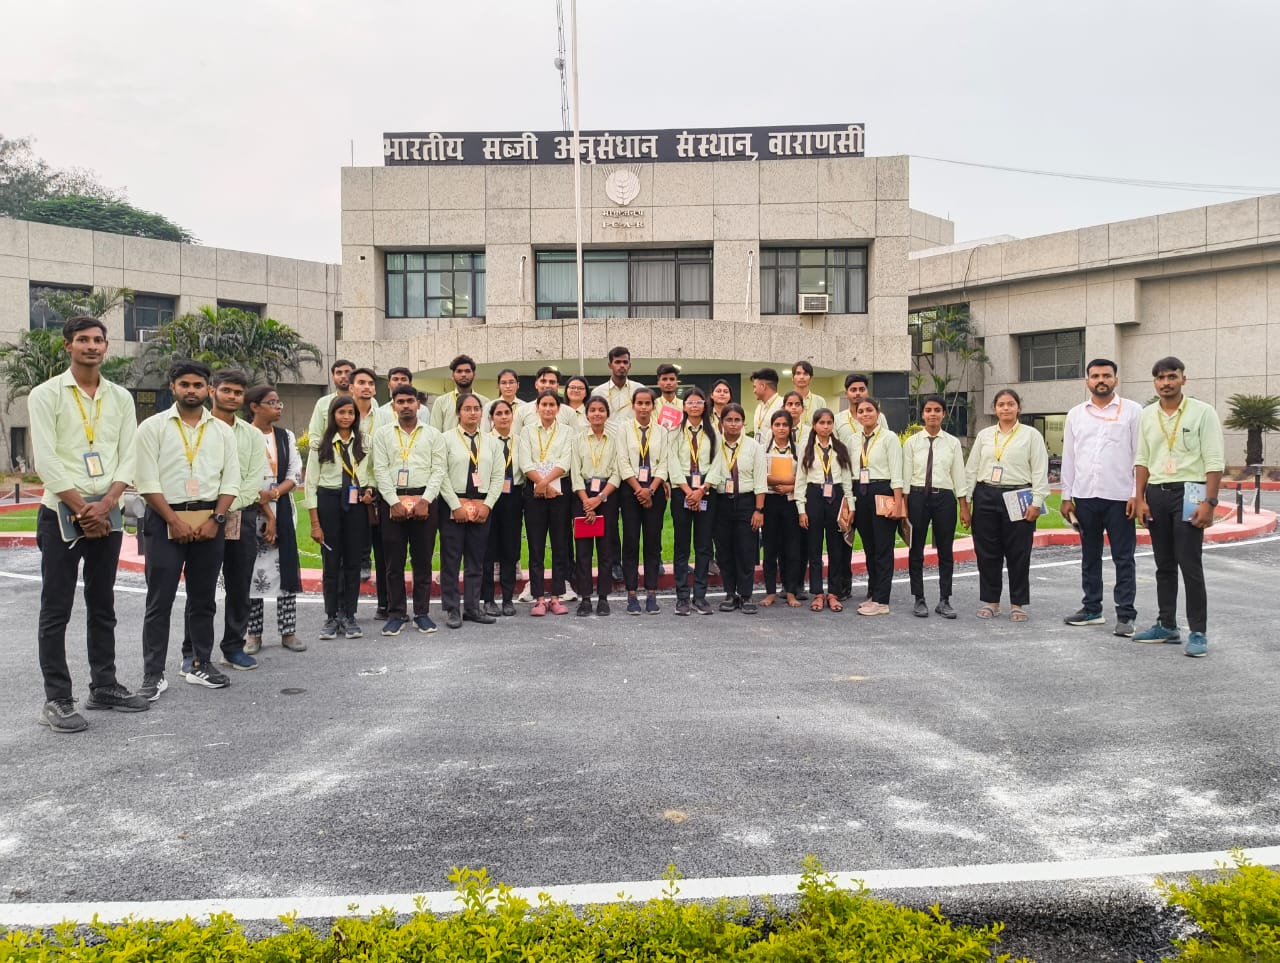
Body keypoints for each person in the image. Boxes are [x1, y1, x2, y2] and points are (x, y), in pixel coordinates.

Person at [29, 315, 145, 731]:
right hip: (61, 512)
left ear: (106, 346)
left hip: (108, 509)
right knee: (56, 608)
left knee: (102, 603)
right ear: (68, 346)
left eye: (98, 340)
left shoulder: (120, 397)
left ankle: (104, 686)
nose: (92, 346)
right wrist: (82, 509)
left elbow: (129, 454)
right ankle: (58, 699)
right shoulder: (46, 395)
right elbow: (46, 459)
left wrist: (109, 502)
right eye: (83, 339)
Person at [135, 360, 240, 698]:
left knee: (203, 599)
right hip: (165, 520)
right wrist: (174, 521)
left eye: (197, 385)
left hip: (210, 522)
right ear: (173, 387)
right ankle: (153, 675)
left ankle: (200, 664)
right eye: (185, 384)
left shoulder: (222, 431)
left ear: (208, 389)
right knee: (159, 600)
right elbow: (146, 481)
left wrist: (216, 520)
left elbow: (231, 480)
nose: (191, 390)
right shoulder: (152, 427)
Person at [1133, 357, 1225, 657]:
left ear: (1183, 379)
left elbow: (1214, 461)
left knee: (1190, 563)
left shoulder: (1202, 412)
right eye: (1160, 378)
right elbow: (1142, 459)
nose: (1166, 383)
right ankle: (1167, 625)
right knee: (1164, 564)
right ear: (1155, 382)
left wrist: (1209, 502)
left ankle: (1198, 631)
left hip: (1191, 491)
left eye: (1172, 377)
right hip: (1156, 492)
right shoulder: (1147, 415)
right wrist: (1140, 498)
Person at [180, 369, 268, 674]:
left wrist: (226, 508)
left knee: (239, 585)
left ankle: (233, 647)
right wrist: (212, 511)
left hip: (240, 515)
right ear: (212, 391)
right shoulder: (197, 429)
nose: (232, 396)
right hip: (201, 516)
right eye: (226, 390)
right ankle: (191, 651)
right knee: (200, 587)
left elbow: (253, 479)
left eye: (238, 392)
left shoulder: (252, 435)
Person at [1060, 360, 1143, 636]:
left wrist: (1136, 494)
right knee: (1090, 556)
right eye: (1095, 376)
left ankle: (1126, 615)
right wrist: (1066, 495)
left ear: (1115, 380)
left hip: (1120, 497)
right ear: (1087, 381)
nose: (1101, 380)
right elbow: (1069, 457)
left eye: (1106, 375)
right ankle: (1092, 609)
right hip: (1085, 496)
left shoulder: (1132, 411)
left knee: (1123, 557)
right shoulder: (1076, 414)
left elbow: (1139, 455)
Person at [965, 389, 1050, 622]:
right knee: (987, 552)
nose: (1005, 408)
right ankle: (991, 601)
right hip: (985, 495)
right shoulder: (984, 435)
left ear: (1018, 407)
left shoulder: (1031, 435)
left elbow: (1040, 470)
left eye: (1010, 404)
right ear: (995, 409)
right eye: (1001, 404)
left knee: (1018, 552)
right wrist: (967, 502)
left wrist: (1037, 502)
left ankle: (1017, 603)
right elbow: (972, 469)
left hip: (1018, 495)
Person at [372, 385, 447, 635]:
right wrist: (393, 501)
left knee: (422, 560)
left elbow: (439, 470)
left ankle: (422, 613)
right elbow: (380, 470)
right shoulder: (382, 434)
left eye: (410, 401)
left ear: (418, 405)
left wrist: (426, 500)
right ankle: (396, 613)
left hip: (425, 499)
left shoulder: (433, 434)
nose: (405, 405)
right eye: (400, 401)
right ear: (393, 405)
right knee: (393, 562)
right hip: (392, 501)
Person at [305, 395, 375, 640]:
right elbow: (310, 485)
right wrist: (315, 524)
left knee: (353, 562)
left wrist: (369, 490)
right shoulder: (320, 445)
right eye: (341, 412)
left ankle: (350, 615)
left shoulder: (365, 442)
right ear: (332, 415)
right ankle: (332, 616)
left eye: (350, 413)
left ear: (356, 416)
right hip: (329, 501)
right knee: (331, 562)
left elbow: (372, 472)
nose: (346, 417)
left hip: (356, 503)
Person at [244, 385, 304, 653]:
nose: (278, 407)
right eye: (272, 402)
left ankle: (288, 632)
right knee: (251, 573)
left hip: (282, 506)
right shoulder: (243, 435)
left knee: (285, 568)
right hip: (250, 508)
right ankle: (253, 635)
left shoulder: (285, 436)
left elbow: (295, 473)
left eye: (279, 402)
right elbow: (241, 475)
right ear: (254, 406)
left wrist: (275, 493)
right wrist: (265, 504)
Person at [437, 393, 504, 629]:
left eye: (476, 408)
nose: (472, 413)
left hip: (481, 506)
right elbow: (440, 474)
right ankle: (452, 608)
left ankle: (473, 607)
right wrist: (455, 505)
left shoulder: (492, 442)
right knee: (451, 559)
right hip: (453, 506)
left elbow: (498, 476)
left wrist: (488, 505)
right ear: (458, 413)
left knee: (477, 560)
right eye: (467, 409)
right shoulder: (445, 439)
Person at [902, 396, 969, 619]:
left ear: (943, 414)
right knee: (916, 550)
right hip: (917, 497)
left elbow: (959, 475)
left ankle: (944, 600)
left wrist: (964, 506)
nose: (933, 414)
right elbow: (906, 476)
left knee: (945, 551)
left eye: (937, 410)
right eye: (929, 410)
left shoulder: (952, 443)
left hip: (944, 499)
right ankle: (919, 598)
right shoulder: (912, 443)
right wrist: (904, 506)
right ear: (922, 414)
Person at [833, 374, 889, 600]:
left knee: (875, 541)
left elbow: (884, 444)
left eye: (861, 389)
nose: (857, 393)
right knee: (845, 536)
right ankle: (844, 585)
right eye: (853, 389)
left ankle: (874, 588)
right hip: (849, 483)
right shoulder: (838, 420)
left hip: (875, 485)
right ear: (846, 393)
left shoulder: (879, 417)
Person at [519, 389, 574, 616]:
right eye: (544, 405)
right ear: (537, 408)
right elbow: (525, 462)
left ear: (558, 408)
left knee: (560, 545)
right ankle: (539, 598)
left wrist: (546, 483)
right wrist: (541, 485)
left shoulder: (567, 431)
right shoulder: (527, 431)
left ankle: (556, 597)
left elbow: (565, 461)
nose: (548, 409)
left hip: (560, 494)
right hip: (534, 495)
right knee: (536, 546)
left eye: (552, 405)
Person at [669, 387, 722, 615]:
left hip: (706, 491)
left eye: (698, 402)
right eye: (690, 402)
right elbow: (671, 463)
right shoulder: (674, 433)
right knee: (682, 546)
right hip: (682, 489)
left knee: (703, 546)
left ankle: (700, 596)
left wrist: (702, 489)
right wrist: (687, 491)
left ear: (704, 405)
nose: (694, 406)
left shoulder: (714, 433)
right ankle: (682, 597)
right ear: (684, 406)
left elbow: (719, 463)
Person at [850, 398, 904, 617]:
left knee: (883, 548)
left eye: (869, 410)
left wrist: (898, 503)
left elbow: (897, 472)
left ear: (878, 412)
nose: (865, 414)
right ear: (856, 415)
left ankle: (882, 600)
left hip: (882, 490)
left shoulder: (889, 438)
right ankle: (873, 593)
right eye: (861, 411)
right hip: (860, 491)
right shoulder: (853, 439)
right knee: (869, 547)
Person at [795, 409, 853, 612]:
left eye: (829, 423)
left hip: (836, 496)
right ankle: (818, 593)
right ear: (814, 425)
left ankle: (834, 593)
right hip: (814, 496)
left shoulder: (840, 449)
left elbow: (847, 480)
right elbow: (800, 481)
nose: (826, 426)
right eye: (822, 423)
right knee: (814, 547)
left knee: (836, 548)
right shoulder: (807, 448)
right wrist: (801, 509)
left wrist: (851, 506)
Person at [618, 387, 669, 615]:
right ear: (633, 406)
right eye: (639, 403)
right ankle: (631, 594)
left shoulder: (662, 432)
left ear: (653, 406)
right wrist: (640, 490)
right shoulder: (624, 429)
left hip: (655, 491)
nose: (644, 407)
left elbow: (664, 463)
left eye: (648, 403)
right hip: (630, 490)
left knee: (652, 542)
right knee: (630, 542)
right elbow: (622, 461)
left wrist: (651, 490)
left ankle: (651, 593)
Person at [713, 403, 767, 613]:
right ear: (722, 422)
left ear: (743, 422)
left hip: (746, 502)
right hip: (721, 502)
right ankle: (730, 593)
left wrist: (759, 510)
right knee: (724, 550)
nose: (733, 424)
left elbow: (760, 480)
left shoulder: (754, 447)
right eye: (729, 420)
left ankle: (746, 595)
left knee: (746, 550)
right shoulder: (714, 444)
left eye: (737, 420)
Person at [571, 396, 621, 615]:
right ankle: (585, 598)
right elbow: (575, 473)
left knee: (606, 550)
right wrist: (586, 502)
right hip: (582, 497)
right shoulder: (578, 439)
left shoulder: (615, 439)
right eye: (593, 410)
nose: (597, 413)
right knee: (583, 551)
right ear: (587, 414)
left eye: (601, 410)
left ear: (607, 414)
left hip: (607, 496)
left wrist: (599, 498)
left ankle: (603, 597)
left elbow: (617, 473)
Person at [350, 366, 389, 613]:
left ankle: (385, 605)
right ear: (351, 387)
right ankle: (348, 610)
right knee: (351, 552)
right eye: (361, 382)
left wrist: (373, 487)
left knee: (384, 551)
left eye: (370, 383)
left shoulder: (385, 417)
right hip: (350, 488)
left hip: (379, 489)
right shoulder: (344, 414)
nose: (366, 387)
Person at [481, 399, 523, 617]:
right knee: (488, 550)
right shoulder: (484, 441)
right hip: (490, 496)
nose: (504, 417)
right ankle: (488, 599)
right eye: (499, 413)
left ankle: (508, 598)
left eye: (507, 413)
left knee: (510, 548)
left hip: (514, 497)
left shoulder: (520, 441)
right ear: (491, 418)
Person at [760, 409, 803, 608]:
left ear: (790, 427)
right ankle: (770, 592)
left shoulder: (799, 450)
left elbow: (803, 478)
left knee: (792, 549)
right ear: (772, 427)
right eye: (777, 424)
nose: (781, 428)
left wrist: (789, 486)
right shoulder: (763, 450)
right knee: (770, 548)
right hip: (770, 502)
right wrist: (786, 480)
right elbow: (761, 476)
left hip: (790, 502)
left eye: (785, 425)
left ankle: (791, 591)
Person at [430, 354, 490, 433]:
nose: (463, 374)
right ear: (452, 376)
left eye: (467, 371)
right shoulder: (441, 402)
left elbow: (487, 432)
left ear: (474, 375)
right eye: (459, 371)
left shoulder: (485, 403)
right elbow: (435, 433)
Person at [591, 346, 645, 427]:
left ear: (629, 365)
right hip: (607, 434)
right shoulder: (598, 392)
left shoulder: (640, 390)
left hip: (633, 434)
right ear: (610, 365)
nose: (622, 365)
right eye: (617, 362)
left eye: (625, 362)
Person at [307, 358, 355, 447]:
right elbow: (315, 435)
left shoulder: (368, 401)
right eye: (339, 373)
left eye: (347, 372)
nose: (343, 376)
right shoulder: (322, 403)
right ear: (333, 378)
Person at [790, 360, 827, 427]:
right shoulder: (785, 401)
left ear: (811, 378)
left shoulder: (820, 401)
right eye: (798, 373)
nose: (802, 377)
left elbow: (824, 424)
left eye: (805, 374)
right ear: (792, 377)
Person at [750, 367, 783, 437]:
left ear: (763, 386)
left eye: (755, 387)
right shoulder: (759, 407)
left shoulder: (782, 405)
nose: (754, 391)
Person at [654, 363, 683, 429]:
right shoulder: (653, 405)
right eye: (664, 379)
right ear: (658, 383)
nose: (668, 383)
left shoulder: (684, 405)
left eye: (672, 379)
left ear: (677, 383)